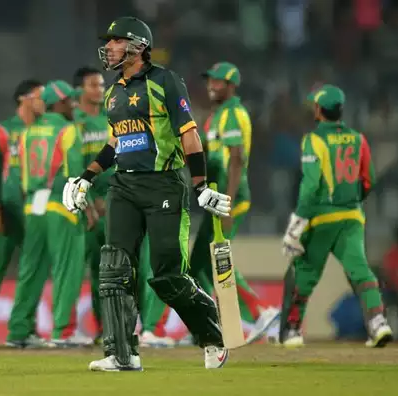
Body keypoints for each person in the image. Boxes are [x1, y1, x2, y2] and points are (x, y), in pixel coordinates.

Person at [63, 17, 231, 371]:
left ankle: (212, 332)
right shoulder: (113, 92)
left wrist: (200, 184)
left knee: (167, 275)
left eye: (116, 41)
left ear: (137, 45)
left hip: (163, 184)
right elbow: (116, 142)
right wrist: (86, 178)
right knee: (114, 268)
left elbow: (189, 134)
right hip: (124, 186)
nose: (108, 48)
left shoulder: (165, 81)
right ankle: (122, 354)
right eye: (107, 42)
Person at [280, 84, 393, 348]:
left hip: (321, 218)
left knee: (305, 272)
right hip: (352, 217)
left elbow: (309, 187)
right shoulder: (358, 138)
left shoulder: (313, 140)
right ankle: (378, 322)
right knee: (360, 270)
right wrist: (350, 202)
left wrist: (295, 227)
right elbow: (369, 180)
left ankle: (293, 330)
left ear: (319, 110)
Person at [72, 66, 171, 348]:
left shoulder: (114, 116)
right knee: (100, 271)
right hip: (91, 206)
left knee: (140, 266)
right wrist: (90, 200)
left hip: (122, 198)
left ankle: (147, 327)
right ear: (80, 89)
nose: (100, 90)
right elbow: (71, 163)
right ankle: (106, 328)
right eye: (94, 85)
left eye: (102, 85)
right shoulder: (74, 122)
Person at [190, 62, 279, 344]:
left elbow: (237, 159)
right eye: (209, 81)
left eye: (217, 82)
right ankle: (212, 323)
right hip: (217, 200)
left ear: (231, 86)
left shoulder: (232, 114)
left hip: (229, 198)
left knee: (216, 259)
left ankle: (260, 310)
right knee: (199, 265)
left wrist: (226, 202)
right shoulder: (215, 117)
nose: (211, 86)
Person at [0, 79, 52, 348]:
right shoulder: (3, 130)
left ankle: (25, 328)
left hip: (36, 210)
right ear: (23, 98)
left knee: (33, 270)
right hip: (9, 210)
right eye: (39, 96)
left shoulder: (47, 129)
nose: (44, 102)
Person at [14, 80, 88, 347]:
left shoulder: (28, 132)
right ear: (58, 103)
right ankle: (62, 332)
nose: (74, 105)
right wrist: (85, 208)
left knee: (30, 269)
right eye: (70, 100)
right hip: (61, 204)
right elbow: (75, 175)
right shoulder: (67, 131)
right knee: (66, 269)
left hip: (33, 205)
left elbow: (23, 176)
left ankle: (19, 331)